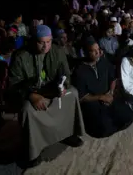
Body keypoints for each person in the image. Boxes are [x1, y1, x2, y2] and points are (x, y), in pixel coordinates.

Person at [9, 25, 85, 167]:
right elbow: (14, 85)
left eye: (49, 42)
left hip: (52, 90)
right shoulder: (20, 56)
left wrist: (62, 85)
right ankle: (33, 151)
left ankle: (68, 134)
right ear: (33, 41)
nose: (46, 46)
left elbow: (66, 74)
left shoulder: (57, 51)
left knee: (72, 94)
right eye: (41, 42)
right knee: (27, 110)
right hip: (32, 93)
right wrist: (31, 95)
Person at [73, 38, 133, 138]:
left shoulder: (103, 61)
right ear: (85, 53)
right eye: (93, 50)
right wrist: (101, 97)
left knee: (128, 117)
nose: (98, 52)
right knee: (104, 129)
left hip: (108, 96)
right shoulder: (79, 70)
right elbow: (82, 97)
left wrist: (110, 92)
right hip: (93, 101)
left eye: (98, 49)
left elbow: (113, 79)